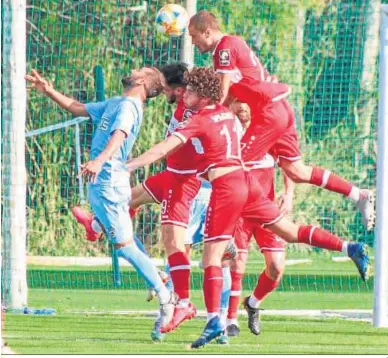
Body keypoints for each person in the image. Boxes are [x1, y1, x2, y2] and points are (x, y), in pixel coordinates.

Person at [125, 67, 370, 348]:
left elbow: (164, 148)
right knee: (289, 232)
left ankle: (214, 320)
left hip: (227, 188)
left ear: (203, 95)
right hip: (247, 182)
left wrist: (129, 165)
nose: (185, 95)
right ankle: (348, 247)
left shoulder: (201, 119)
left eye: (191, 91)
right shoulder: (227, 114)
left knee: (211, 259)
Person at [188, 10, 376, 231]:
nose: (192, 42)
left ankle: (227, 235)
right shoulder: (230, 46)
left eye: (193, 37)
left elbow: (221, 93)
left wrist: (206, 121)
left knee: (231, 169)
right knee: (296, 171)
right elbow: (231, 95)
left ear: (206, 31)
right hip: (280, 109)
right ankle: (358, 194)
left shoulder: (224, 48)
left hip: (268, 113)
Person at [25, 67, 178, 330]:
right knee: (123, 239)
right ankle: (97, 226)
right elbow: (79, 108)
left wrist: (99, 160)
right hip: (103, 182)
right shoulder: (117, 102)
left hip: (108, 180)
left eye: (138, 70)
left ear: (141, 81)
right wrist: (48, 91)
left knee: (125, 246)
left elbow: (120, 136)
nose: (131, 69)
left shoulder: (129, 107)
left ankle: (166, 298)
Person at [225, 101, 294, 338]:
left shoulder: (267, 133)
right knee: (237, 264)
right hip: (239, 212)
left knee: (276, 268)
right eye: (237, 101)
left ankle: (253, 304)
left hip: (267, 211)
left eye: (247, 101)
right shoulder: (228, 132)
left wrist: (289, 193)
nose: (243, 106)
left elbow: (288, 162)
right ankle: (230, 320)